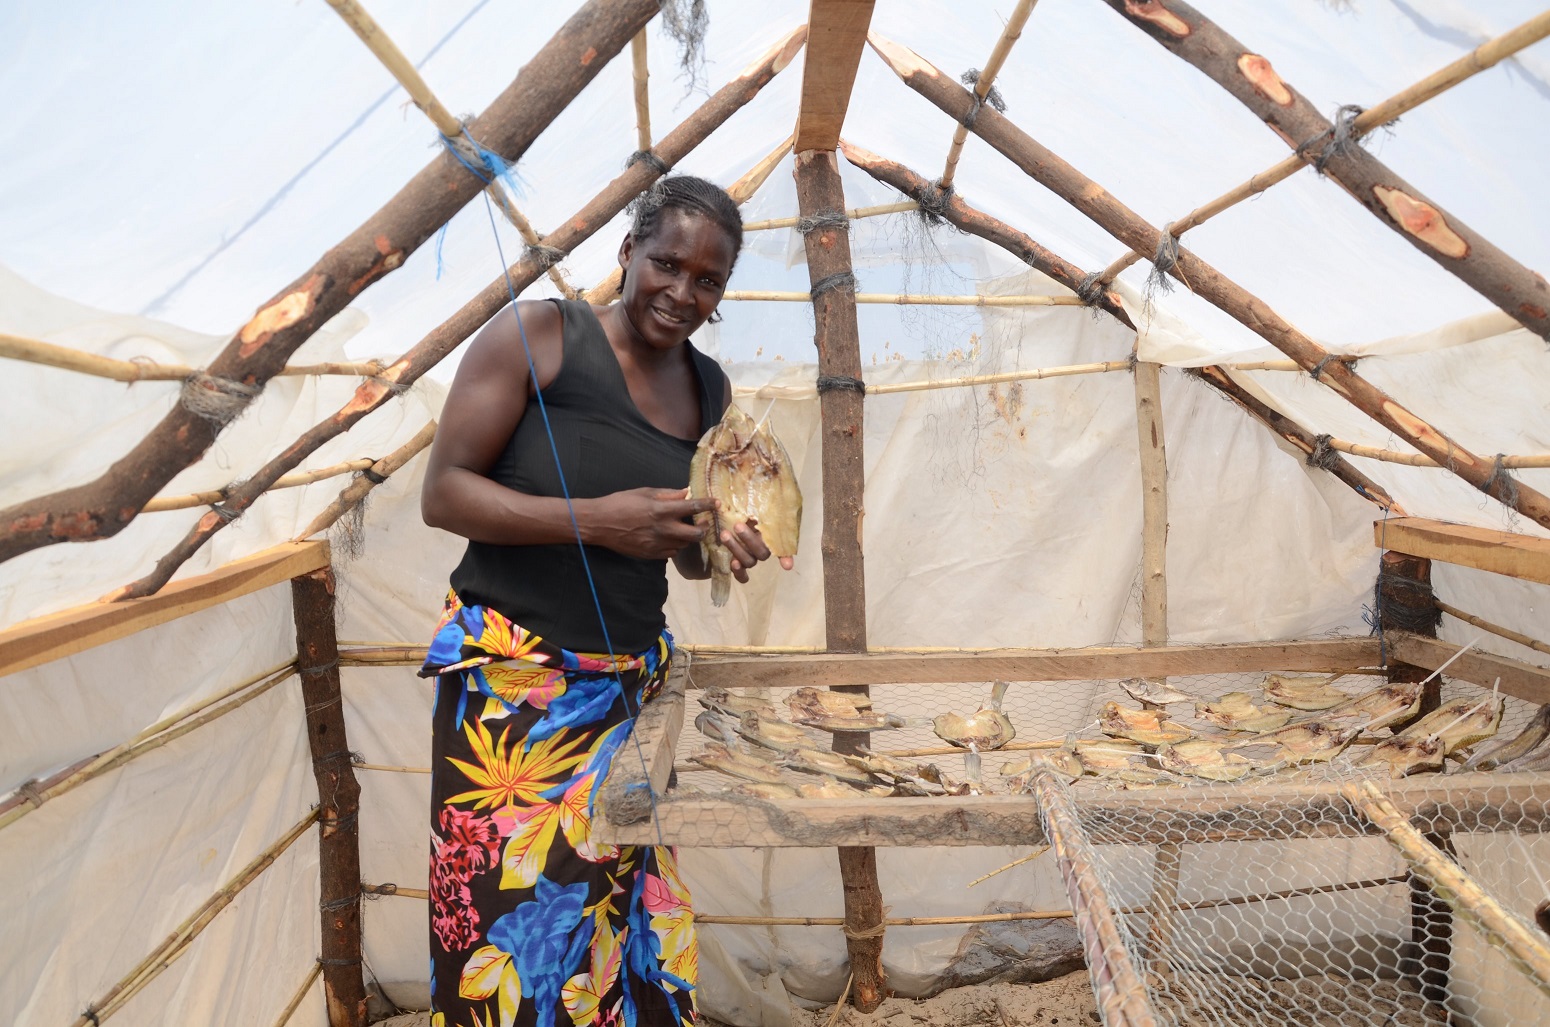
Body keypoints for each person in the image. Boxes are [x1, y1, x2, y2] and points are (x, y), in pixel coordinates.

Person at [418, 175, 786, 1027]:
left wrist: (720, 543)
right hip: (511, 701)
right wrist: (595, 521)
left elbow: (684, 558)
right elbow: (444, 494)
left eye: (708, 280)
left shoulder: (710, 390)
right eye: (667, 263)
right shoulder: (540, 336)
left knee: (617, 912)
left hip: (627, 694)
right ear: (627, 253)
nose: (682, 293)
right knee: (506, 926)